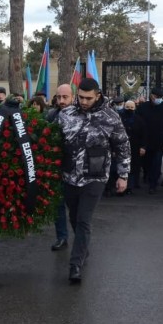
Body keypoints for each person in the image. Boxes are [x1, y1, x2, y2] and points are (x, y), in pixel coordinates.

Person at [56, 78, 131, 283]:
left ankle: (75, 264)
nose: (84, 101)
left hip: (95, 177)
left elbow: (122, 146)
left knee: (84, 219)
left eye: (88, 98)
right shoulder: (66, 114)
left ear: (97, 95)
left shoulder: (110, 117)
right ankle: (83, 248)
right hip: (70, 175)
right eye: (80, 97)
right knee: (74, 216)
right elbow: (54, 142)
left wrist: (123, 175)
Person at [46, 84, 74, 252]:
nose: (62, 101)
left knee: (76, 208)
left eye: (65, 97)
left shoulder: (82, 116)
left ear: (73, 97)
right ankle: (61, 237)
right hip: (55, 168)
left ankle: (81, 239)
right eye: (59, 97)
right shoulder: (51, 115)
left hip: (76, 170)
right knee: (58, 205)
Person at [136, 87, 163, 194]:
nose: (158, 99)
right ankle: (147, 176)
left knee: (156, 163)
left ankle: (153, 184)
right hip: (146, 141)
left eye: (160, 97)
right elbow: (138, 123)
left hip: (159, 141)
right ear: (152, 96)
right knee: (146, 163)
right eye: (157, 97)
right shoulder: (143, 107)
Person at [119, 100, 146, 195]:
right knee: (121, 167)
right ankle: (121, 187)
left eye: (131, 108)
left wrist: (142, 147)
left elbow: (143, 134)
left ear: (134, 108)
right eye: (127, 107)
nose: (129, 109)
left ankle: (130, 186)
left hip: (135, 147)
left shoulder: (139, 120)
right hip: (121, 147)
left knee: (133, 167)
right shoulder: (119, 119)